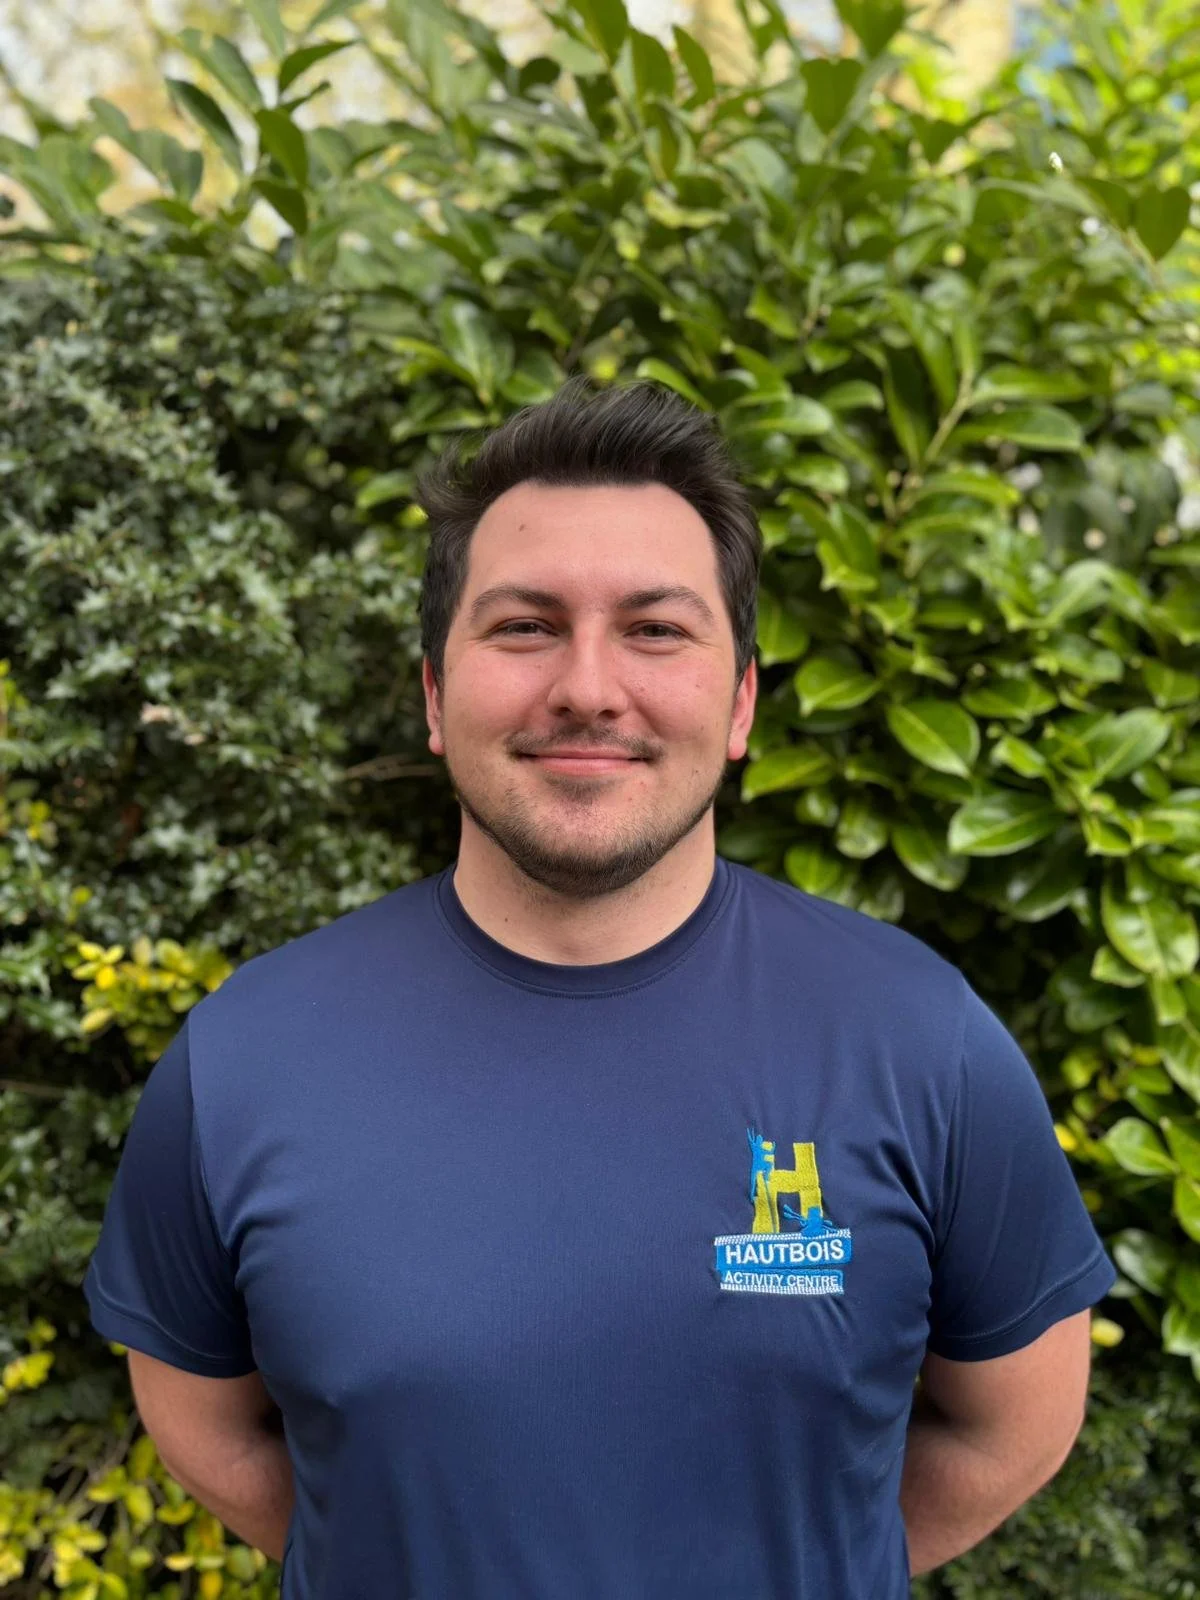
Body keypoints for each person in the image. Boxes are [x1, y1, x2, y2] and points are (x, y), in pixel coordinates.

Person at [84, 375, 1116, 1599]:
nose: (587, 686)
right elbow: (211, 1434)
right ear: (433, 694)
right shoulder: (242, 1061)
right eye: (524, 626)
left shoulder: (921, 1039)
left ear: (738, 704)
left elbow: (1013, 1427)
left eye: (656, 629)